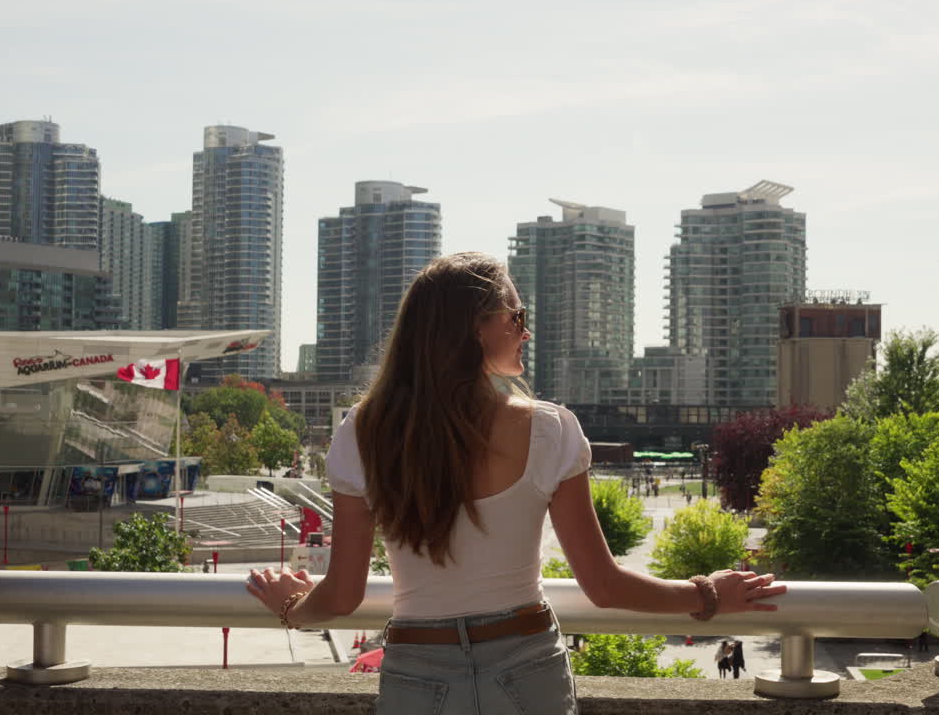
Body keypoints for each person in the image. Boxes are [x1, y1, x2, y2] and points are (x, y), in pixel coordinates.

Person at [245, 253, 787, 714]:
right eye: (517, 315)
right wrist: (710, 594)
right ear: (478, 326)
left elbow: (341, 597)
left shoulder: (363, 433)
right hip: (526, 664)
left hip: (416, 669)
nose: (526, 330)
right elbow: (604, 586)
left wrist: (291, 606)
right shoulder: (549, 429)